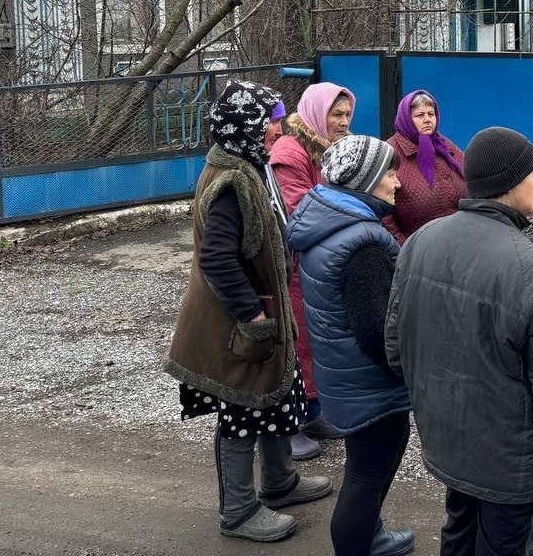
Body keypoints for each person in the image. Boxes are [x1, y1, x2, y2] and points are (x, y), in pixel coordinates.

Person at [385, 127, 533, 556]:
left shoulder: (420, 242)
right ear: (509, 183)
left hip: (448, 446)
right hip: (513, 467)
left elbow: (396, 350)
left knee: (459, 533)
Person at [165, 81, 333, 544]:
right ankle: (238, 511)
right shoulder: (231, 180)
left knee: (275, 395)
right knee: (241, 410)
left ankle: (279, 482)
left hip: (264, 311)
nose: (278, 128)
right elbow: (217, 259)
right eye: (270, 121)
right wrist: (253, 318)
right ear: (245, 126)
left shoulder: (248, 164)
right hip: (237, 322)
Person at [287, 134, 415, 556]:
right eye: (390, 173)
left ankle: (370, 536)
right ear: (366, 180)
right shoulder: (363, 241)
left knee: (367, 469)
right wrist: (413, 363)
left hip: (344, 375)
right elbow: (378, 333)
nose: (398, 182)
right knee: (365, 476)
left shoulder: (328, 220)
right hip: (370, 384)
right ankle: (358, 545)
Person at [270, 81, 357, 460]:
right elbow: (299, 211)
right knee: (297, 343)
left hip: (319, 263)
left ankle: (312, 414)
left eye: (347, 114)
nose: (343, 121)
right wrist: (350, 209)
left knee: (320, 341)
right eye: (336, 114)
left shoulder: (333, 148)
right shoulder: (290, 152)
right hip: (294, 265)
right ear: (316, 114)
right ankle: (288, 424)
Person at [383, 89, 467, 244]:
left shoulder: (444, 145)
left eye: (431, 114)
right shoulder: (389, 152)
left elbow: (470, 177)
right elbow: (383, 213)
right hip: (418, 250)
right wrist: (404, 248)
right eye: (420, 115)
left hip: (462, 242)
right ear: (406, 119)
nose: (428, 120)